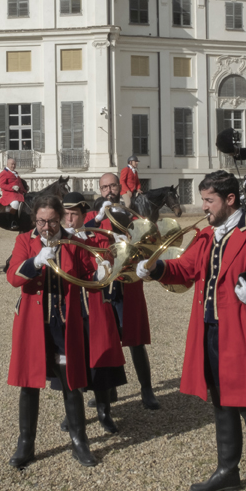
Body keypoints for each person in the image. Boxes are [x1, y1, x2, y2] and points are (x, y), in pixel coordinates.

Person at [138, 170, 246, 491]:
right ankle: (228, 470)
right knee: (221, 402)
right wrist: (158, 269)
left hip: (245, 331)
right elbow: (186, 270)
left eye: (209, 200)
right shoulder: (206, 234)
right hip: (210, 329)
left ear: (230, 200)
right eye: (204, 199)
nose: (204, 206)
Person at [6, 195, 103, 469]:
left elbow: (88, 276)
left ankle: (79, 441)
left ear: (60, 218)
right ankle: (26, 443)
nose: (45, 227)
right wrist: (34, 262)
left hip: (63, 324)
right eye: (40, 221)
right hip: (33, 325)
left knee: (71, 381)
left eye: (50, 221)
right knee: (28, 383)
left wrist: (101, 273)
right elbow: (13, 277)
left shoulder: (73, 242)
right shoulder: (25, 240)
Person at [85, 173, 160, 410]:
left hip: (128, 282)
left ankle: (146, 389)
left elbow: (150, 240)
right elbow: (78, 232)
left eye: (112, 185)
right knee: (106, 338)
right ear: (100, 189)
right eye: (104, 187)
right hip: (104, 283)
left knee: (135, 339)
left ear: (119, 187)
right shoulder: (93, 216)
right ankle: (110, 388)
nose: (109, 190)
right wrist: (98, 218)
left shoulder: (133, 215)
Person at [61, 192, 126, 434]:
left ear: (82, 215)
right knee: (71, 360)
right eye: (66, 214)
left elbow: (108, 260)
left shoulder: (95, 238)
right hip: (70, 304)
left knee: (102, 360)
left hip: (96, 303)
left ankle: (104, 412)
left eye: (73, 214)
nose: (69, 219)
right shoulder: (59, 241)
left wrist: (108, 263)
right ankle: (73, 413)